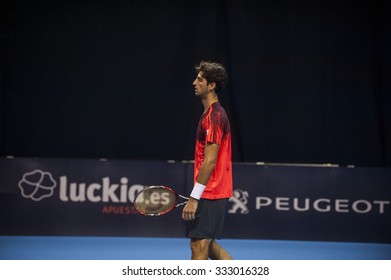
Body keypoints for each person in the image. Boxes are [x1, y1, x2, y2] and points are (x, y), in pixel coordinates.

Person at [182, 61, 233, 260]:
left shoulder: (214, 116)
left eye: (200, 79)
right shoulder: (209, 115)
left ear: (211, 85)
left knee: (198, 247)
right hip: (210, 190)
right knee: (210, 247)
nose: (195, 82)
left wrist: (194, 198)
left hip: (212, 191)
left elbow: (210, 161)